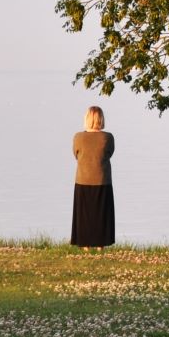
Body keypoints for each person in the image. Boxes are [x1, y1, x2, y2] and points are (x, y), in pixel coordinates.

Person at [71, 105, 115, 250]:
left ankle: (85, 244)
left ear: (87, 119)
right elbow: (109, 153)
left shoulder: (78, 137)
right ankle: (100, 245)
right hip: (102, 180)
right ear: (101, 119)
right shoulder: (107, 137)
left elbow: (76, 155)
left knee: (84, 214)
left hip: (83, 179)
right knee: (101, 214)